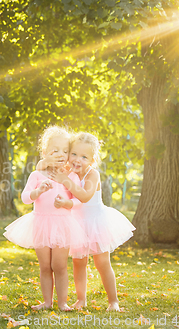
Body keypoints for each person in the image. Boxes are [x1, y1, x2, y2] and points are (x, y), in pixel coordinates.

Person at [44, 132, 135, 312]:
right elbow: (45, 168)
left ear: (92, 160)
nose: (78, 160)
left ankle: (113, 301)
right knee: (79, 263)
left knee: (102, 262)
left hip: (96, 223)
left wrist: (65, 181)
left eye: (84, 157)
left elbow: (85, 196)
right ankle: (81, 299)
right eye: (74, 154)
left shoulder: (93, 175)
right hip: (78, 224)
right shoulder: (69, 171)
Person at [3, 125, 87, 311]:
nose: (60, 154)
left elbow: (79, 200)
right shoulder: (37, 175)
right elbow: (25, 198)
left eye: (65, 151)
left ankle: (62, 302)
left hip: (62, 224)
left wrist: (66, 203)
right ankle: (47, 302)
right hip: (41, 223)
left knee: (59, 265)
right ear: (44, 152)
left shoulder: (69, 176)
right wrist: (38, 191)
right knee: (45, 266)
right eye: (55, 150)